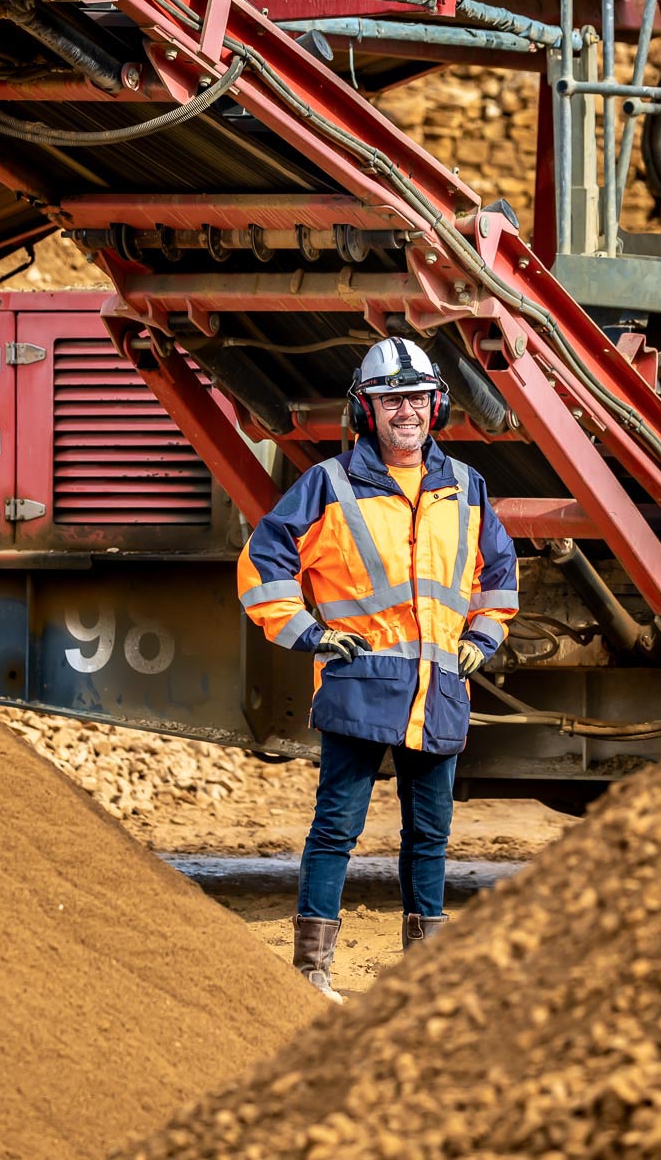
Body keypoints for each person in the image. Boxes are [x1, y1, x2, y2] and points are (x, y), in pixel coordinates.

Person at [237, 336, 518, 1002]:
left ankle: (426, 977)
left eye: (417, 399)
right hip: (360, 687)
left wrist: (485, 630)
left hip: (438, 690)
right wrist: (305, 631)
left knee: (430, 836)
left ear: (436, 406)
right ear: (368, 410)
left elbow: (499, 574)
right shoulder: (329, 486)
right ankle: (312, 971)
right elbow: (263, 561)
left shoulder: (465, 487)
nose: (407, 413)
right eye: (392, 401)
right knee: (337, 828)